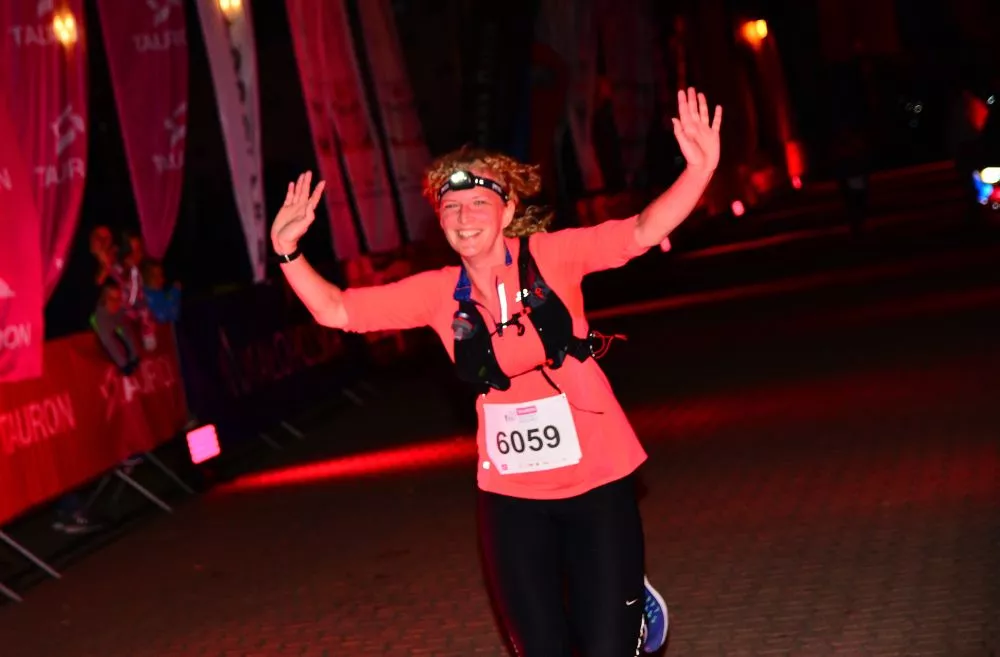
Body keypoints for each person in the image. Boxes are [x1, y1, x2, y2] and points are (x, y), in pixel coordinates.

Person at [272, 88, 721, 656]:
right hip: (513, 497)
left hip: (598, 482)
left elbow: (639, 231)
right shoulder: (438, 294)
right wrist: (288, 253)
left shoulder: (551, 256)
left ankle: (623, 596)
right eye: (451, 208)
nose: (464, 218)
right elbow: (337, 309)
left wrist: (698, 171)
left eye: (478, 203)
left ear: (508, 211)